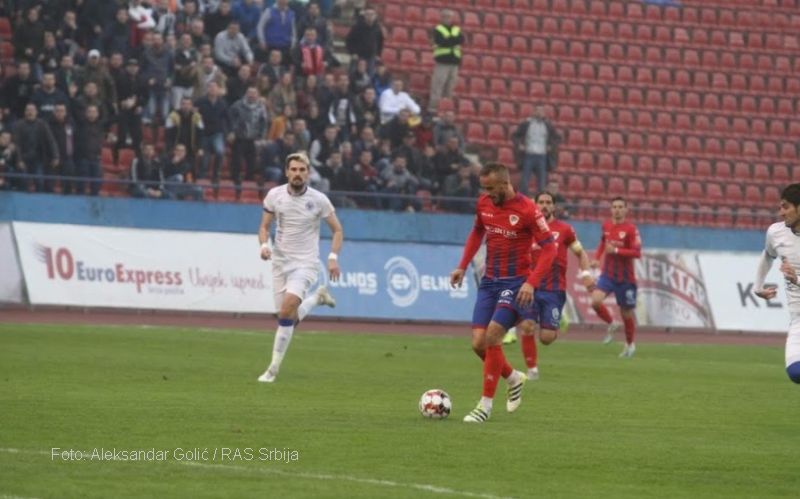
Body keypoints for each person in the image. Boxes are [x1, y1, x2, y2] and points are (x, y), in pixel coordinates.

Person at [449, 163, 556, 423]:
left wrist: (531, 283)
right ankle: (512, 377)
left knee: (493, 336)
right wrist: (462, 266)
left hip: (516, 284)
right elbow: (477, 232)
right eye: (483, 188)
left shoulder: (528, 209)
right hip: (489, 282)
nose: (486, 193)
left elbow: (550, 248)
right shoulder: (484, 203)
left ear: (505, 184)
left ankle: (484, 407)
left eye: (490, 188)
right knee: (478, 344)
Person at [257, 152, 343, 383]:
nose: (297, 174)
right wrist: (264, 245)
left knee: (286, 312)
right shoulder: (274, 196)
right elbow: (264, 227)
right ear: (287, 172)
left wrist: (333, 257)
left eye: (302, 170)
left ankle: (273, 369)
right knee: (287, 318)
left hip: (305, 263)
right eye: (293, 170)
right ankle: (317, 299)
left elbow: (337, 230)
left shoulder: (319, 200)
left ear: (308, 172)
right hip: (280, 262)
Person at [502, 191, 595, 379]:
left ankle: (558, 319)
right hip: (530, 286)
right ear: (534, 205)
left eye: (548, 202)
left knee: (546, 338)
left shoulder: (565, 229)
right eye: (541, 202)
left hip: (555, 290)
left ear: (553, 206)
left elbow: (581, 253)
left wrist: (586, 274)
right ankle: (532, 370)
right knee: (527, 325)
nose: (544, 205)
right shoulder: (526, 230)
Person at [754, 183, 800, 384]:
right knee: (796, 373)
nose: (781, 212)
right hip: (798, 318)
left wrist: (797, 279)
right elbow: (767, 256)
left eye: (786, 206)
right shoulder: (775, 233)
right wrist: (758, 287)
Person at [590, 197, 642, 358]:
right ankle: (611, 323)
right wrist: (597, 257)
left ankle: (629, 344)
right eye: (614, 207)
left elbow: (637, 253)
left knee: (626, 313)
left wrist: (617, 251)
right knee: (596, 301)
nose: (617, 209)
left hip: (626, 278)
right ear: (611, 209)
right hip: (608, 274)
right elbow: (603, 243)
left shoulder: (631, 229)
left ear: (626, 210)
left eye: (620, 207)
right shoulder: (606, 225)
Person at [511, 105, 561, 195]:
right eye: (538, 111)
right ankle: (523, 200)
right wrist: (519, 145)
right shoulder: (526, 124)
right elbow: (515, 135)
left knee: (541, 183)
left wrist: (551, 146)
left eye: (541, 111)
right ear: (533, 112)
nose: (539, 113)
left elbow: (557, 138)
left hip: (542, 156)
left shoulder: (548, 125)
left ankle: (539, 202)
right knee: (524, 181)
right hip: (529, 154)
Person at [428, 9, 463, 113]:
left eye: (449, 16)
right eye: (445, 16)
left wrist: (448, 40)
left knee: (450, 88)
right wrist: (452, 40)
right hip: (442, 61)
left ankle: (446, 109)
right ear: (441, 17)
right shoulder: (438, 29)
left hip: (454, 62)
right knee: (437, 86)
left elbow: (461, 40)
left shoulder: (456, 28)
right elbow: (440, 41)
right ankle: (433, 109)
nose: (447, 19)